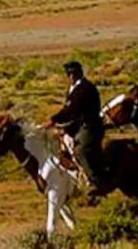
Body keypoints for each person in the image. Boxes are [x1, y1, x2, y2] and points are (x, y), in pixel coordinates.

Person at [45, 60, 109, 192]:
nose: (71, 76)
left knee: (80, 151)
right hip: (77, 125)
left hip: (90, 126)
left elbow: (72, 109)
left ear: (80, 73)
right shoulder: (72, 88)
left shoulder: (86, 88)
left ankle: (94, 181)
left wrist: (54, 119)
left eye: (74, 73)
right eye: (69, 74)